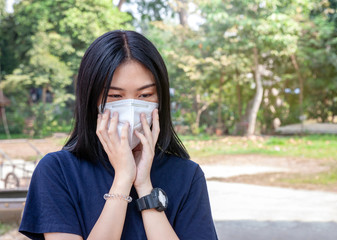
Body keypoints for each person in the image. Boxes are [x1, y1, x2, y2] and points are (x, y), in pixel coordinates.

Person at [19, 30, 218, 240]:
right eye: (115, 95)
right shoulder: (57, 171)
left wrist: (144, 186)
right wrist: (123, 178)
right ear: (91, 100)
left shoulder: (187, 175)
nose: (131, 107)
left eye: (145, 95)